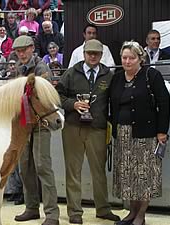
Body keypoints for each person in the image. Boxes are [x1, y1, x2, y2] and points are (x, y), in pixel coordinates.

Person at [55, 39, 120, 224]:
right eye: (89, 53)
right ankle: (75, 212)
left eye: (96, 53)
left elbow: (113, 101)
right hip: (73, 128)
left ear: (101, 55)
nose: (92, 56)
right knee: (72, 171)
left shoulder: (108, 75)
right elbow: (58, 95)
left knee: (98, 171)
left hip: (97, 128)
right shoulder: (71, 73)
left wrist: (111, 125)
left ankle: (103, 209)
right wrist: (72, 104)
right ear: (83, 53)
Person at [109, 41, 170, 225]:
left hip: (147, 134)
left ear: (140, 59)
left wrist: (162, 131)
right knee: (128, 176)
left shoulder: (152, 75)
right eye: (124, 57)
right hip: (122, 134)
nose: (127, 61)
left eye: (132, 58)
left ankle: (141, 216)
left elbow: (164, 103)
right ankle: (131, 213)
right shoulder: (117, 78)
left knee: (144, 177)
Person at [12, 35, 60, 225]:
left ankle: (52, 214)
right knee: (25, 168)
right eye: (18, 51)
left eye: (24, 50)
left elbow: (44, 96)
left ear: (32, 48)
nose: (21, 54)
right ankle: (31, 207)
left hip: (41, 124)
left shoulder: (41, 68)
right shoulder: (18, 68)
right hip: (24, 124)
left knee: (43, 167)